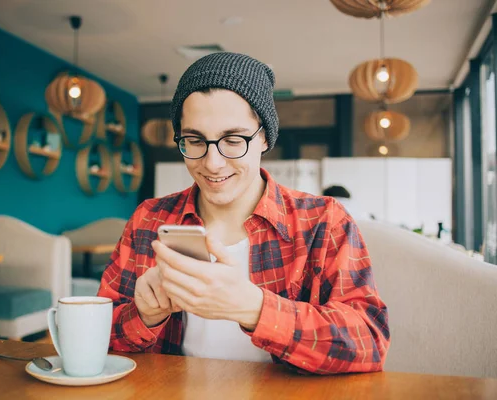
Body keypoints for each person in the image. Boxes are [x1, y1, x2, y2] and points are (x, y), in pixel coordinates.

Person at [98, 52, 390, 374]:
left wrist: (254, 308)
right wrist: (144, 315)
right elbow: (99, 336)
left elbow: (368, 342)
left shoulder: (323, 221)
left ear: (264, 137)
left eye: (233, 140)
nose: (212, 163)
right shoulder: (148, 219)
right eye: (194, 140)